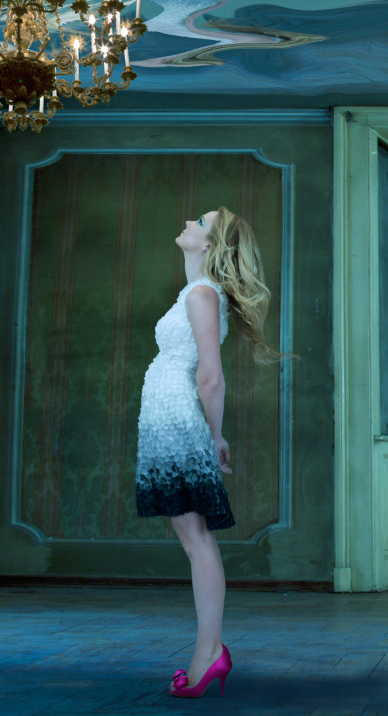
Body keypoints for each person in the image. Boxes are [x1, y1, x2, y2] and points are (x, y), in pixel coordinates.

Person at [135, 206, 285, 698]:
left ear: (209, 245)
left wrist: (213, 436)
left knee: (196, 540)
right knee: (193, 538)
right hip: (167, 419)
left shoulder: (202, 295)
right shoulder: (196, 292)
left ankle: (208, 655)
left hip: (178, 420)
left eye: (201, 223)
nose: (189, 222)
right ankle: (209, 652)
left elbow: (211, 376)